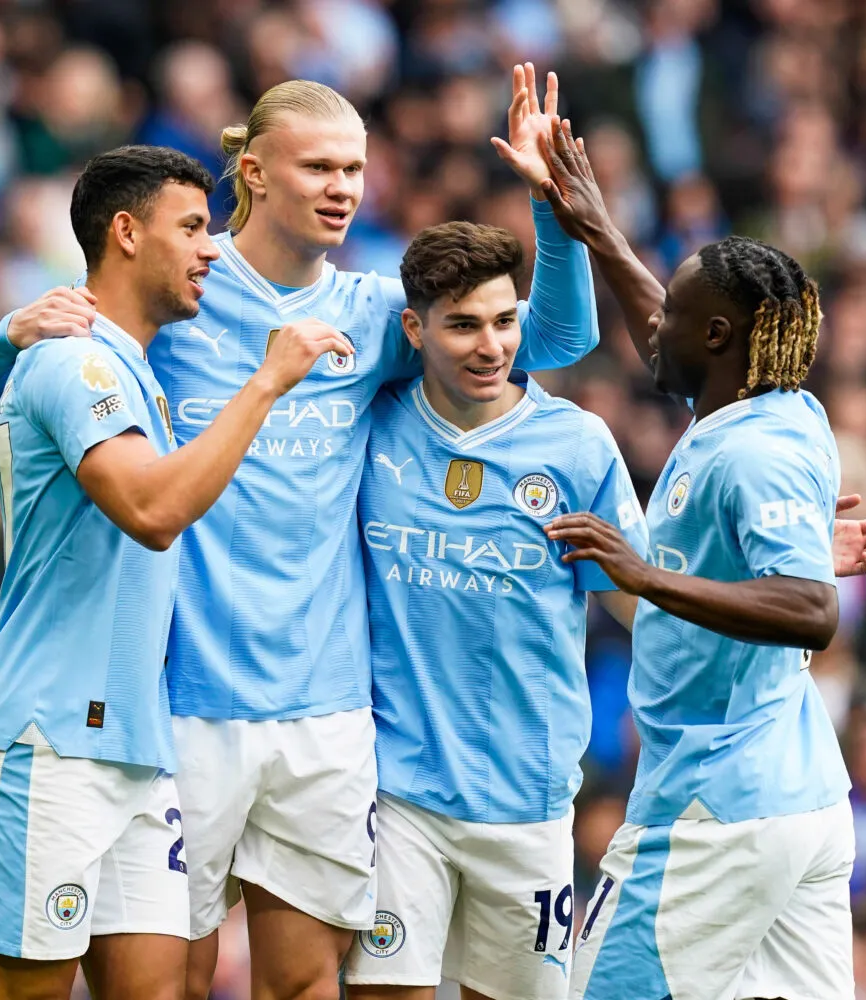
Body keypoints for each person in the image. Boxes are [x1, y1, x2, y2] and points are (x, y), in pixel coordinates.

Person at [0, 68, 605, 1000]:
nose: (343, 188)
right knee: (176, 980)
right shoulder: (178, 289)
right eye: (320, 168)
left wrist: (550, 204)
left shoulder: (372, 312)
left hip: (325, 706)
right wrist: (8, 332)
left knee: (302, 984)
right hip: (183, 698)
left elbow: (557, 340)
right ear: (253, 172)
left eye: (355, 169)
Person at [0, 145, 349, 1000]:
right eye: (194, 228)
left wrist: (4, 333)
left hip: (135, 743)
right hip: (44, 742)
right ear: (126, 233)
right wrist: (265, 385)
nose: (212, 250)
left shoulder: (126, 361)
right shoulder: (74, 361)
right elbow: (152, 510)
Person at [545, 232, 861, 1000]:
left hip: (714, 808)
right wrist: (599, 233)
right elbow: (666, 325)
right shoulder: (768, 408)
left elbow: (812, 608)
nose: (655, 321)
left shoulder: (754, 455)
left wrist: (644, 576)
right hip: (800, 798)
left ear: (717, 335)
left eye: (674, 312)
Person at [343, 221, 649, 1000]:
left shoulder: (576, 446)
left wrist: (768, 591)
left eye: (506, 321)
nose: (491, 347)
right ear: (415, 330)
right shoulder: (371, 424)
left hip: (528, 803)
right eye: (464, 326)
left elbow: (644, 604)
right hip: (397, 794)